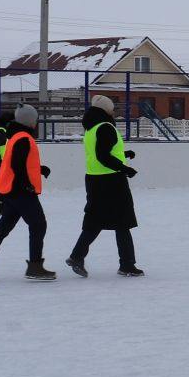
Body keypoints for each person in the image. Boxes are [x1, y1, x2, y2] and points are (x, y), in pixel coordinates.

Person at [0, 104, 56, 280]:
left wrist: (39, 168)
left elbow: (20, 162)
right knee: (38, 224)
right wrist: (27, 185)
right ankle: (35, 266)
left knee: (4, 227)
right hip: (20, 190)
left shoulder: (15, 136)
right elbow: (17, 165)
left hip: (11, 189)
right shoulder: (23, 138)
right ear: (31, 121)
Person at [66, 95, 143, 277]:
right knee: (123, 222)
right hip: (112, 181)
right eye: (112, 108)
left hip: (94, 179)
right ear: (106, 110)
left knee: (95, 221)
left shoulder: (91, 128)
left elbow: (100, 153)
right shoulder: (106, 127)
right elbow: (103, 156)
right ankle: (127, 265)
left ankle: (77, 256)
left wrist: (124, 154)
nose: (113, 111)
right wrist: (124, 169)